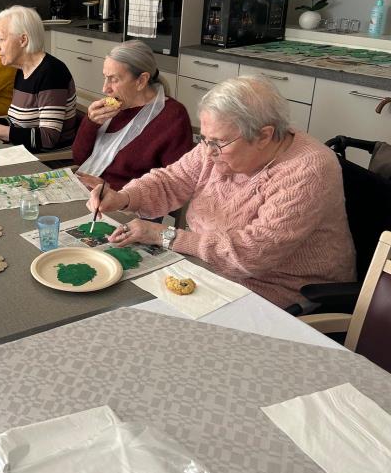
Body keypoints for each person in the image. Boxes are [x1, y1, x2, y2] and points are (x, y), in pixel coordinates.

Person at [87, 76, 355, 310]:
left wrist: (164, 235)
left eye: (218, 143)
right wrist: (123, 197)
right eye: (205, 139)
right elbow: (172, 179)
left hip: (277, 291)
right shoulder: (218, 144)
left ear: (264, 136)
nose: (208, 151)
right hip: (208, 268)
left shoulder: (308, 170)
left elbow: (251, 255)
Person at [73, 41, 193, 191]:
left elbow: (176, 185)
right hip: (89, 189)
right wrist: (91, 122)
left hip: (129, 201)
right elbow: (79, 158)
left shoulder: (173, 117)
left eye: (114, 79)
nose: (105, 89)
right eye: (105, 77)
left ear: (141, 81)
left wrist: (110, 188)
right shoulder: (111, 109)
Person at [0, 6, 78, 152]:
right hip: (22, 150)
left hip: (45, 159)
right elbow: (18, 124)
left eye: (1, 39)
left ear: (23, 40)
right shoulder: (23, 71)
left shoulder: (52, 73)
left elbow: (48, 138)